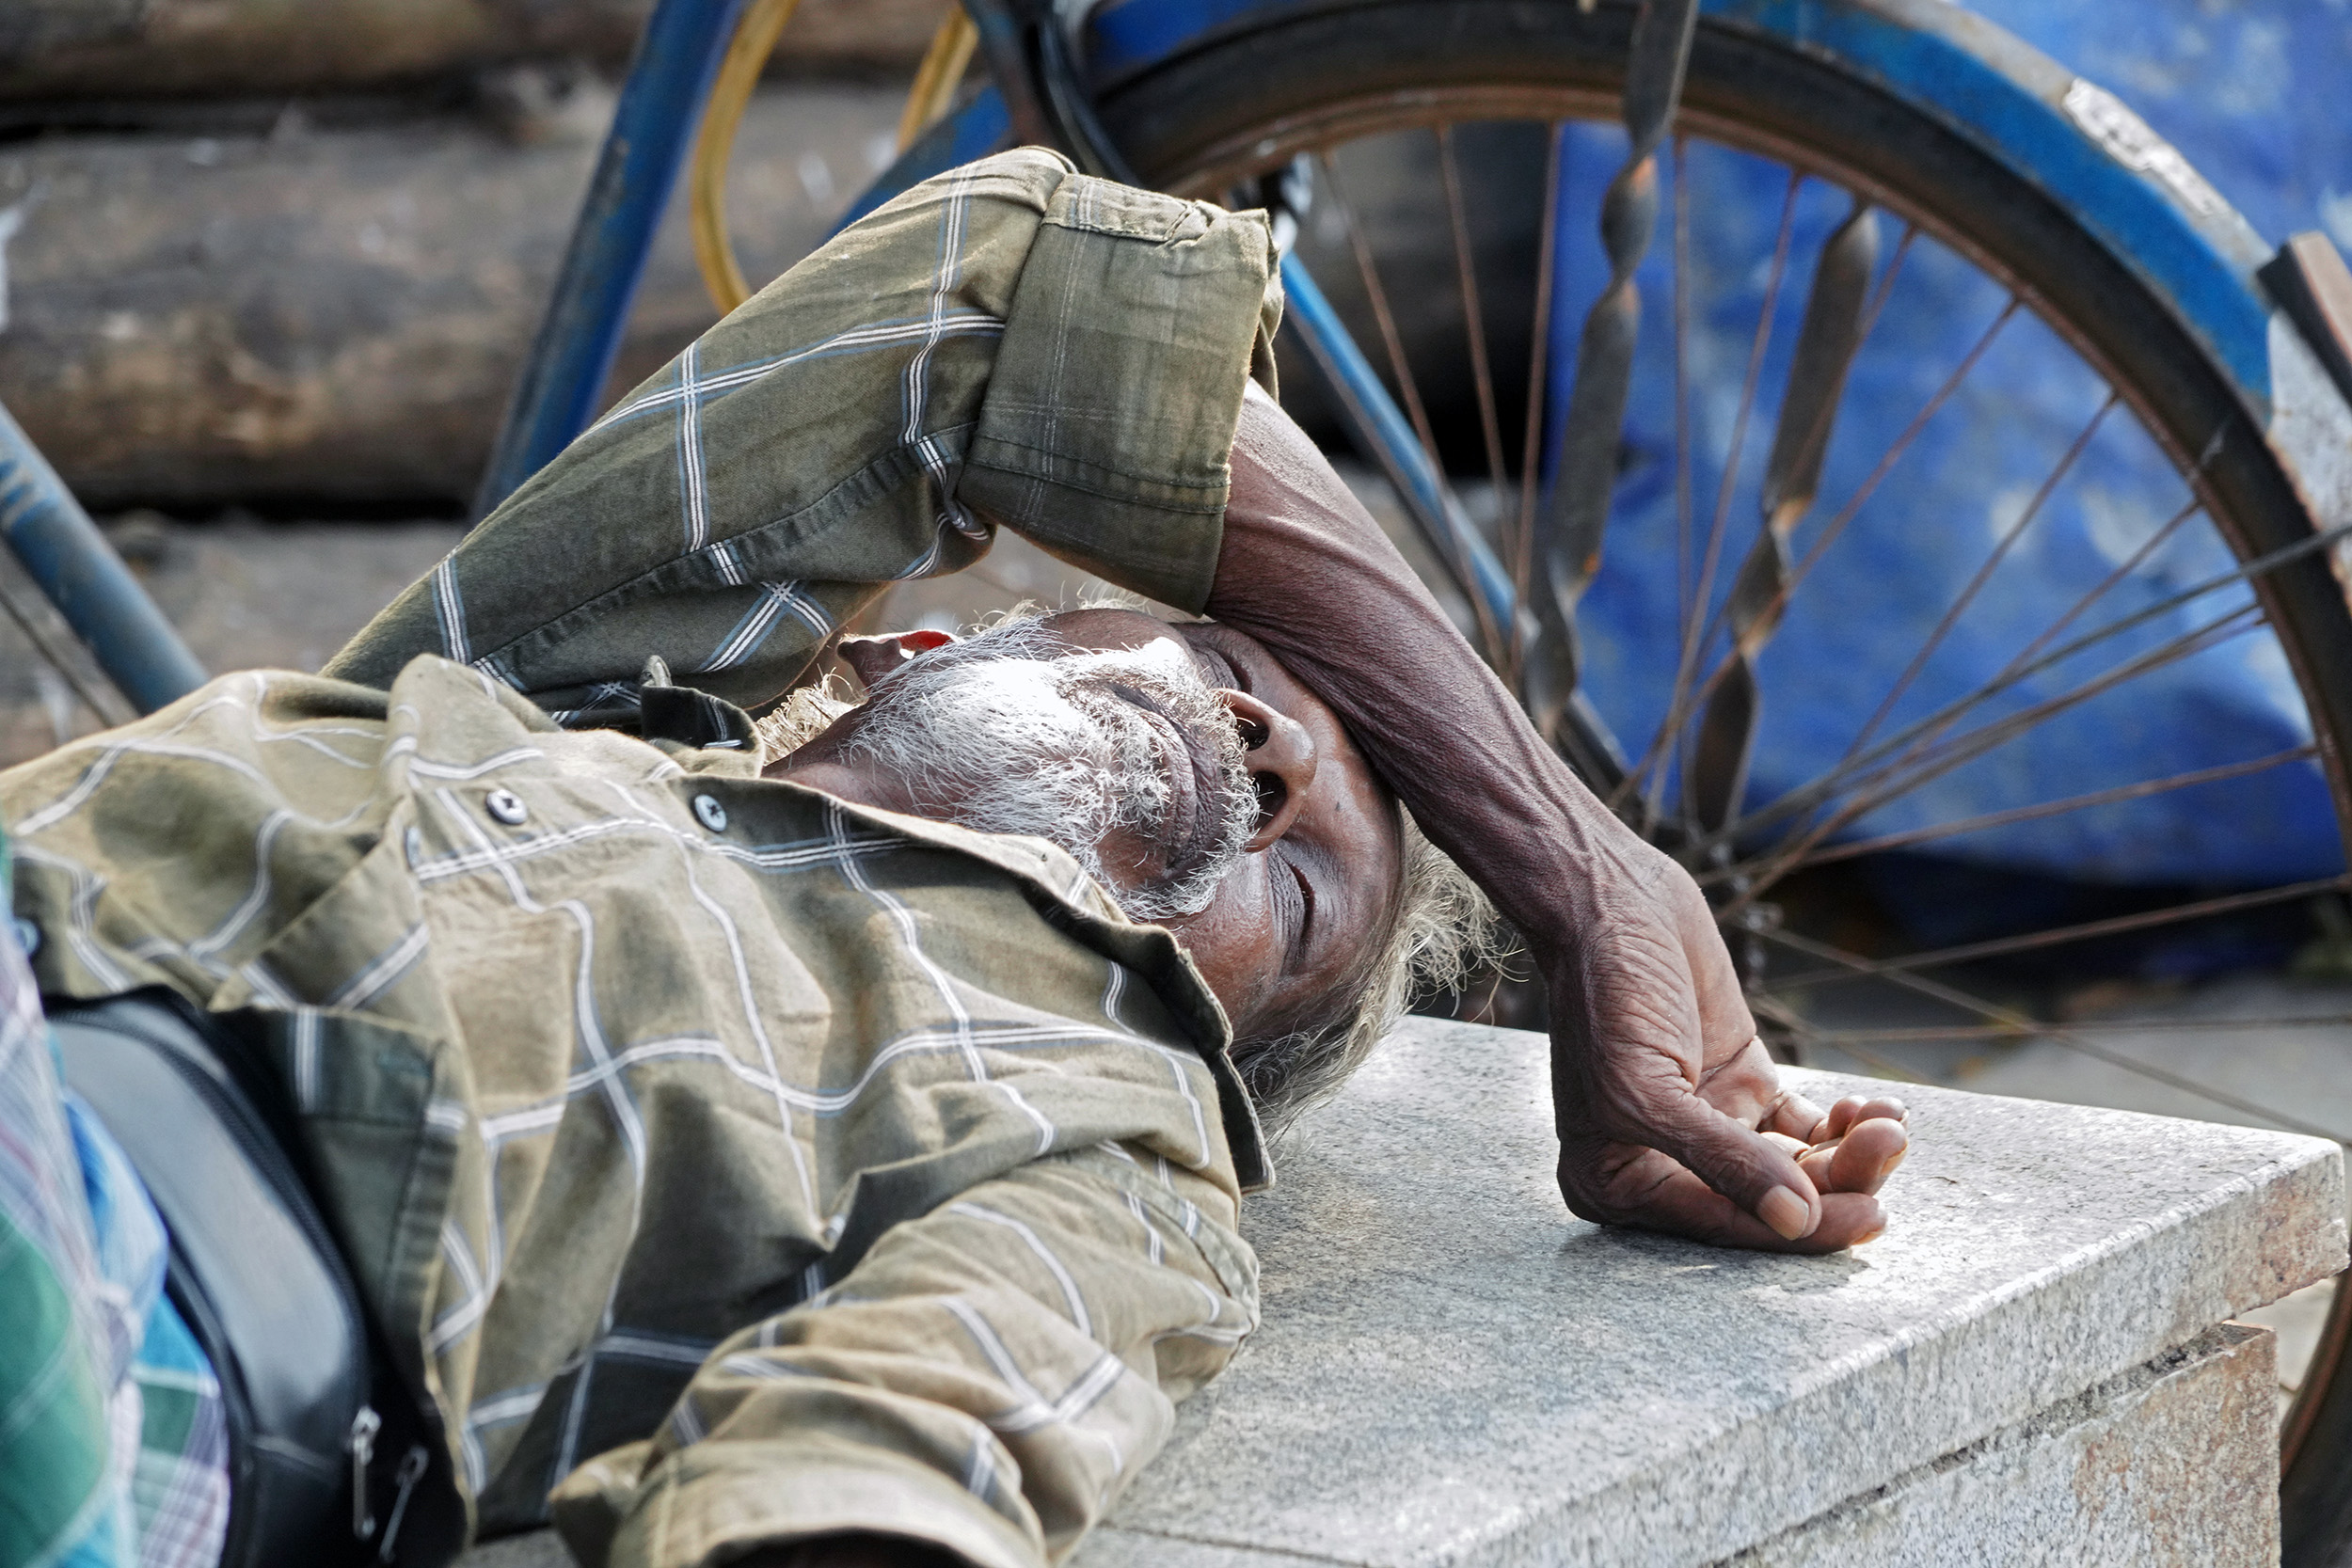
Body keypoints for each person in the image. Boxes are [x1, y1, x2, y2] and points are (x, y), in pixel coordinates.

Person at [0, 149, 1907, 1568]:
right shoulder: (571, 704)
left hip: (104, 1305)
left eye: (1302, 887)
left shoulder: (1102, 1136)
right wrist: (1587, 876)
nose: (1264, 746)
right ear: (907, 651)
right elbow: (991, 295)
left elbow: (905, 1451)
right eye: (1235, 678)